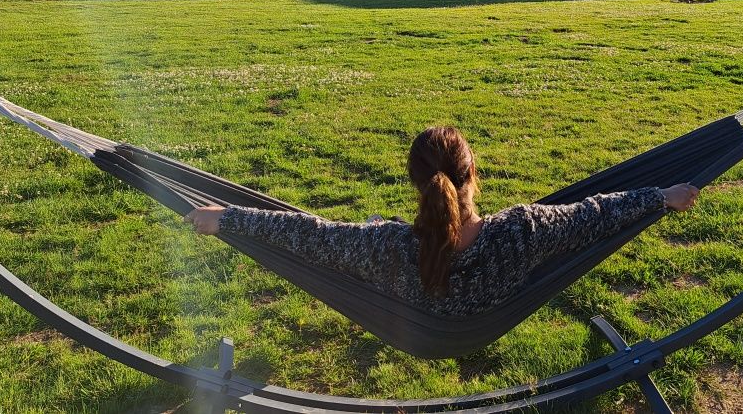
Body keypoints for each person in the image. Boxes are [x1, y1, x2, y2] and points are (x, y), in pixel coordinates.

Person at [185, 126, 699, 316]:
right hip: (491, 310)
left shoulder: (388, 248)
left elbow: (308, 234)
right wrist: (661, 196)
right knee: (369, 231)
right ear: (473, 173)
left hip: (413, 295)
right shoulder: (522, 231)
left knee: (360, 232)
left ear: (415, 183)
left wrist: (229, 218)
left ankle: (371, 220)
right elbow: (595, 213)